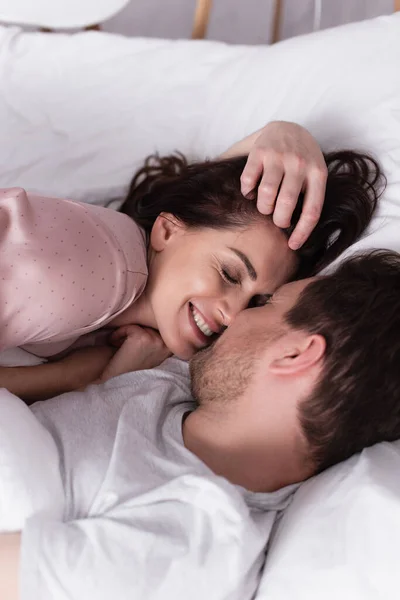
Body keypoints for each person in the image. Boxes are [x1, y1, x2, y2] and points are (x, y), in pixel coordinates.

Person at [1, 250, 400, 600]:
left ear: (295, 354)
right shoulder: (184, 378)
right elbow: (195, 218)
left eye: (265, 305)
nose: (237, 315)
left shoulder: (193, 547)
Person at [0, 122, 383, 401]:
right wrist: (78, 379)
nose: (234, 316)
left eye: (256, 302)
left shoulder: (132, 292)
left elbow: (206, 210)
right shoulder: (97, 273)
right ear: (165, 232)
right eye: (230, 274)